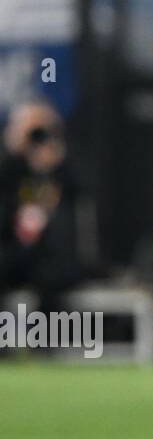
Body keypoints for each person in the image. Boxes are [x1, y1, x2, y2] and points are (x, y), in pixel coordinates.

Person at [0, 102, 87, 315]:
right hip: (14, 251)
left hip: (51, 256)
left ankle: (43, 341)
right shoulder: (12, 168)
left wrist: (55, 164)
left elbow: (81, 189)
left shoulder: (62, 167)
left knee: (51, 278)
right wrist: (16, 152)